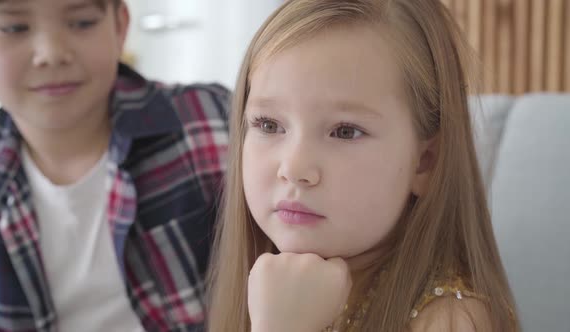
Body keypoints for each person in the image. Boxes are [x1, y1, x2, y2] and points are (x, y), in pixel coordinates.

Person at [207, 0, 518, 331]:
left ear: (425, 161)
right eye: (269, 124)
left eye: (345, 132)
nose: (294, 168)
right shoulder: (266, 290)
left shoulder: (452, 322)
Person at [0, 0, 229, 331]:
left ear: (120, 27)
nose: (51, 53)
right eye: (14, 28)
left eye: (81, 23)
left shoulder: (211, 122)